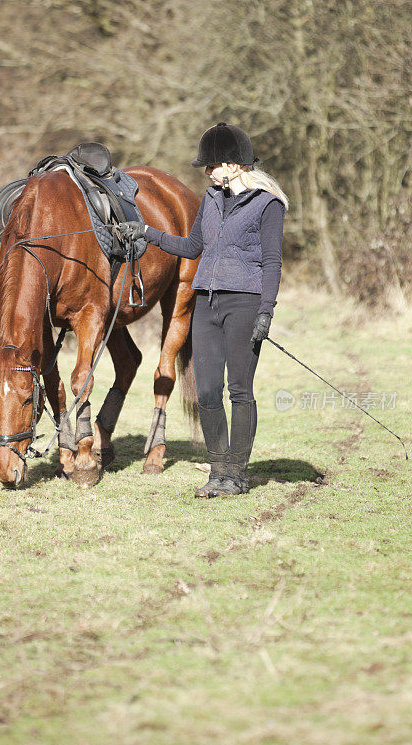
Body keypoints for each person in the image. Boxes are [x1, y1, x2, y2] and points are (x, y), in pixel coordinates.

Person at [120, 122, 288, 498]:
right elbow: (192, 247)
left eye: (212, 166)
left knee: (240, 390)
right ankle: (218, 472)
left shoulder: (267, 204)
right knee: (208, 391)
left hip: (244, 303)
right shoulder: (211, 200)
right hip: (206, 302)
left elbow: (273, 263)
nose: (208, 173)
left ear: (234, 164)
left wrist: (266, 311)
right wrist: (146, 233)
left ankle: (237, 475)